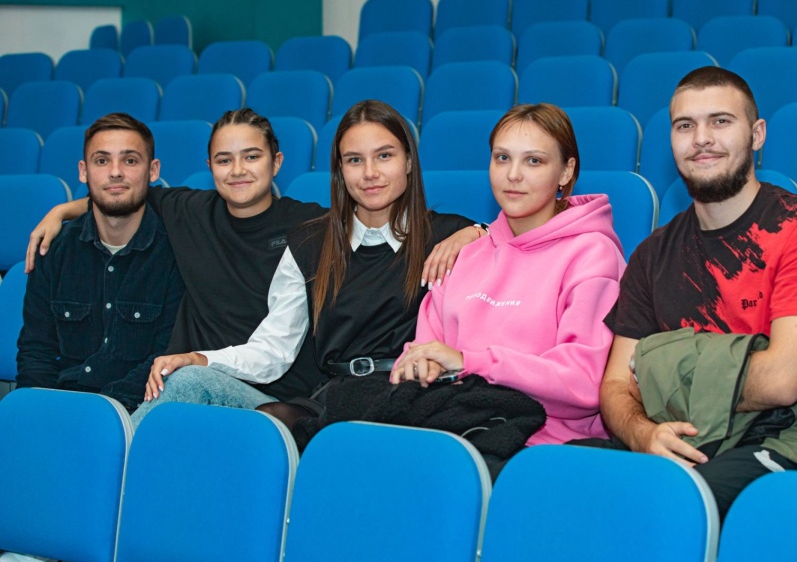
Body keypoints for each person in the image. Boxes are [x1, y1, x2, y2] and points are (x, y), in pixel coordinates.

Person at [27, 108, 477, 422]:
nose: (238, 170)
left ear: (277, 163)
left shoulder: (308, 225)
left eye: (252, 156)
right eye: (225, 160)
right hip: (236, 379)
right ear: (209, 166)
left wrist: (478, 232)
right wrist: (61, 212)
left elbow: (510, 243)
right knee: (182, 384)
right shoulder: (193, 212)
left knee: (189, 386)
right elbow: (120, 191)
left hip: (300, 391)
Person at [598, 66, 797, 518]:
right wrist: (643, 434)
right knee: (554, 481)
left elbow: (781, 382)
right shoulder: (652, 254)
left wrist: (658, 374)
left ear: (757, 134)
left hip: (784, 450)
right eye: (685, 126)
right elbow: (617, 384)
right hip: (672, 440)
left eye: (720, 121)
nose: (701, 139)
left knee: (670, 509)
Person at [390, 103, 627, 446]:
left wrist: (468, 363)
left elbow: (582, 383)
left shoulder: (592, 255)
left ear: (566, 171)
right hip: (456, 427)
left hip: (545, 444)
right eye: (502, 158)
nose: (513, 174)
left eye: (534, 161)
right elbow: (422, 350)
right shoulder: (465, 254)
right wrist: (419, 366)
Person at [16, 113, 184, 412]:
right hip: (59, 406)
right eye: (102, 161)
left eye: (130, 160)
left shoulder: (177, 252)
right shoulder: (54, 250)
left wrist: (101, 417)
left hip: (135, 411)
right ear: (84, 171)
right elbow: (36, 352)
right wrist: (40, 411)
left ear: (153, 170)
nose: (115, 172)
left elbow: (166, 354)